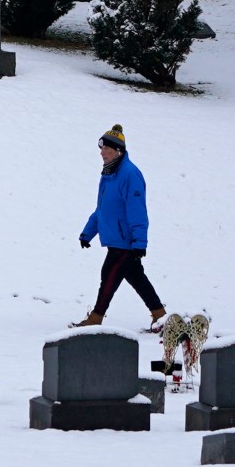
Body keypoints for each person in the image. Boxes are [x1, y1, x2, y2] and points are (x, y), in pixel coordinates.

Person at [73, 124, 166, 329]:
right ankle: (161, 317)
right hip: (117, 239)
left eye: (107, 148)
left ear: (118, 151)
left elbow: (137, 211)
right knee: (137, 278)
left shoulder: (130, 175)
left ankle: (95, 318)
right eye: (101, 148)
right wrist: (87, 233)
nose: (102, 152)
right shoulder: (109, 174)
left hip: (125, 242)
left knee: (109, 278)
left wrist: (139, 242)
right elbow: (103, 209)